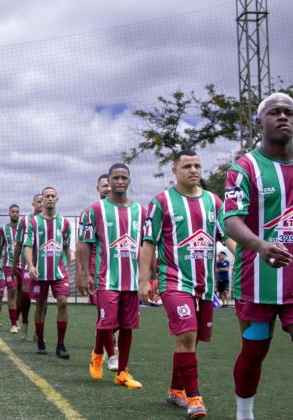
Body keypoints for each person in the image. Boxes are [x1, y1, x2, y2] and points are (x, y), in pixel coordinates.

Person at [139, 150, 235, 417]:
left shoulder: (214, 202)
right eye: (187, 166)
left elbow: (227, 237)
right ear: (174, 170)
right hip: (174, 281)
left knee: (193, 340)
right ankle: (194, 399)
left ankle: (175, 391)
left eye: (197, 165)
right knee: (187, 334)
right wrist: (144, 279)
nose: (193, 170)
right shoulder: (161, 202)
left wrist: (249, 258)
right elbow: (148, 243)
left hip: (205, 284)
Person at [222, 92, 293, 420]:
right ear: (259, 121)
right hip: (256, 282)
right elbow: (232, 220)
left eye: (289, 113)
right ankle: (244, 414)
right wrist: (261, 245)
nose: (284, 118)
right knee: (254, 352)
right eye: (275, 112)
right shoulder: (245, 167)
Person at [78, 163, 145, 390]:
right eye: (115, 178)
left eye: (123, 178)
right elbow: (86, 244)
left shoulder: (140, 211)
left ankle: (122, 372)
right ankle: (98, 353)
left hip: (132, 280)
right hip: (106, 278)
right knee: (107, 322)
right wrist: (86, 273)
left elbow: (147, 245)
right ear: (109, 180)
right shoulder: (94, 211)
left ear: (128, 180)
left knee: (127, 326)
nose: (119, 182)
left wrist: (147, 275)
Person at [23, 187, 72, 358]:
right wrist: (30, 265)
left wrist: (69, 267)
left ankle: (60, 344)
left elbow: (66, 246)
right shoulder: (33, 223)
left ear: (57, 199)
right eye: (47, 196)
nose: (50, 198)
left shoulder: (65, 223)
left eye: (53, 196)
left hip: (59, 271)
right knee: (41, 305)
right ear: (42, 200)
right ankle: (41, 341)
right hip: (39, 271)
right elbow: (27, 245)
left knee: (63, 302)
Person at [78, 174, 117, 370]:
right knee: (105, 314)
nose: (108, 188)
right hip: (99, 272)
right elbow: (82, 245)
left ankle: (98, 347)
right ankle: (112, 356)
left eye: (110, 185)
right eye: (104, 185)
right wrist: (84, 273)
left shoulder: (125, 211)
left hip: (121, 272)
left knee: (118, 318)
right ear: (98, 188)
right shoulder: (91, 212)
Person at [13, 193, 43, 340]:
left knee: (41, 299)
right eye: (39, 201)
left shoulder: (52, 220)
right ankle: (24, 322)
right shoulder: (25, 221)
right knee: (25, 293)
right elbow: (19, 243)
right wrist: (14, 265)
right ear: (33, 203)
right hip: (27, 265)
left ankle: (39, 331)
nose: (42, 204)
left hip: (45, 265)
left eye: (44, 201)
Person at [0, 205, 24, 333]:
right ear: (9, 213)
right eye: (13, 212)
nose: (15, 214)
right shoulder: (3, 229)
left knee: (22, 294)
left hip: (23, 265)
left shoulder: (24, 227)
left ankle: (17, 318)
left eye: (17, 212)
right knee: (12, 291)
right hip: (9, 264)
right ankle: (13, 324)